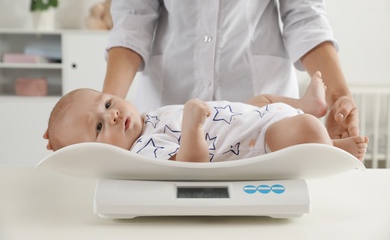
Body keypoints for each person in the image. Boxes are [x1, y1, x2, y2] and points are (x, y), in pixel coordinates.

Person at [103, 0, 360, 141]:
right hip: (169, 107)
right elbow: (132, 23)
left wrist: (338, 96)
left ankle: (307, 107)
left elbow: (305, 17)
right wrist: (102, 114)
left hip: (260, 104)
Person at [43, 72, 368, 162]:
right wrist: (193, 125)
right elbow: (190, 164)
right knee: (307, 130)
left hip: (252, 116)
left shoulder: (146, 118)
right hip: (255, 140)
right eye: (99, 126)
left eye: (108, 102)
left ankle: (305, 102)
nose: (112, 115)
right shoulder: (143, 151)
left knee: (261, 98)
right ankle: (334, 149)